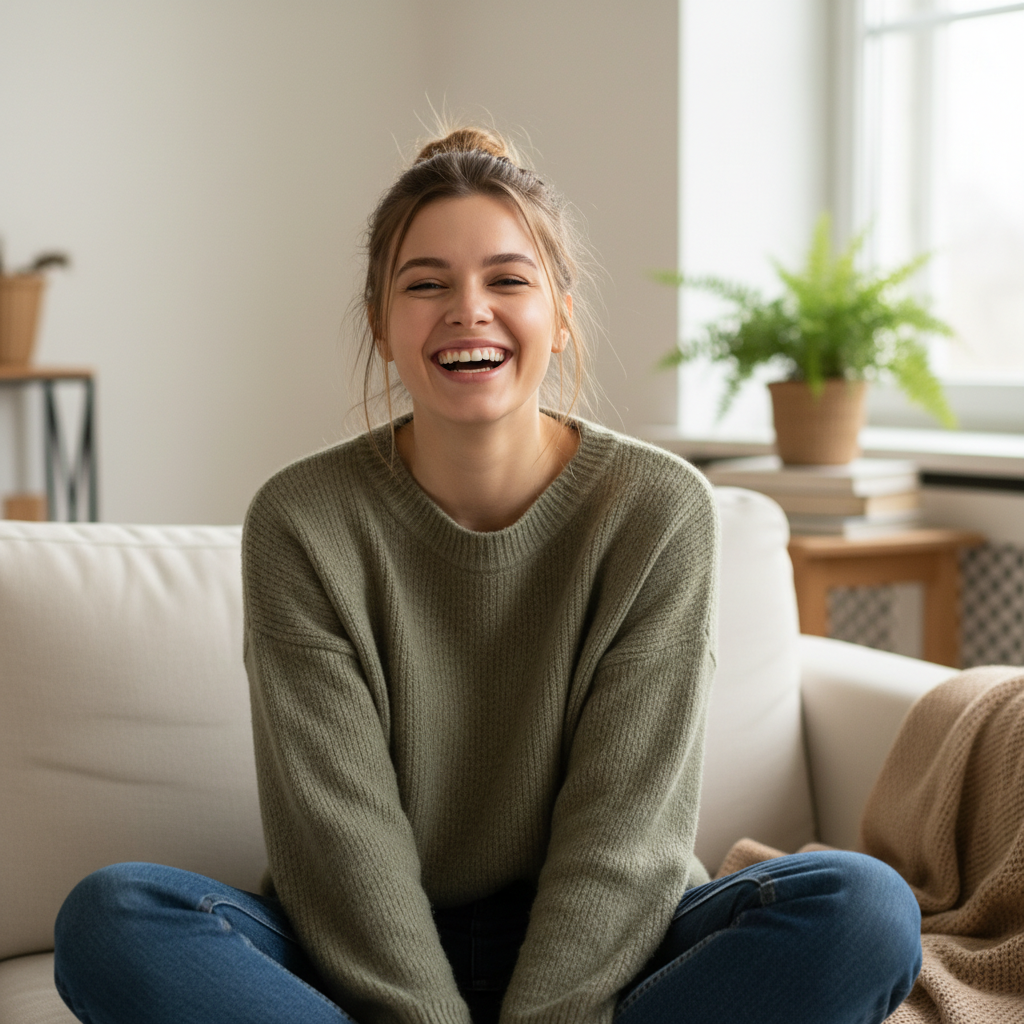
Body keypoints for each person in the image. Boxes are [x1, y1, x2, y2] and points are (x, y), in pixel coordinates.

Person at [53, 127, 922, 1024]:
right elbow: (340, 842)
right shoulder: (302, 521)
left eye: (508, 280)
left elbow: (622, 837)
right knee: (112, 916)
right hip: (359, 951)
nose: (468, 309)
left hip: (612, 952)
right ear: (381, 325)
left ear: (562, 311)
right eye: (426, 284)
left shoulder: (657, 512)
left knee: (864, 910)